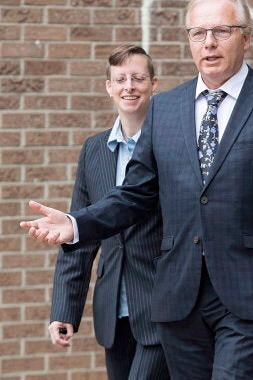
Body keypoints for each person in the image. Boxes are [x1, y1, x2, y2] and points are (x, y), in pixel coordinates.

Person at [20, 0, 253, 380]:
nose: (209, 42)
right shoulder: (165, 108)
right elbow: (135, 194)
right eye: (198, 33)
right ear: (188, 41)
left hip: (251, 297)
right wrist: (77, 224)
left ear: (246, 38)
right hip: (179, 297)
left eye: (221, 31)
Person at [49, 45, 169, 379]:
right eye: (120, 79)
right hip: (114, 310)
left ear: (154, 83)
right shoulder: (94, 150)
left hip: (163, 305)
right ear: (109, 87)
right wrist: (64, 310)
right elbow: (80, 236)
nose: (129, 86)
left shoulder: (172, 143)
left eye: (138, 78)